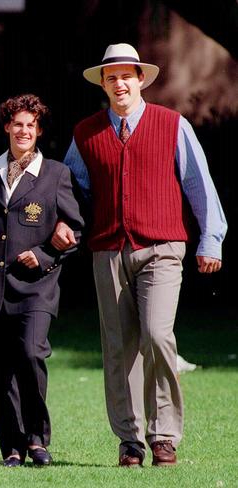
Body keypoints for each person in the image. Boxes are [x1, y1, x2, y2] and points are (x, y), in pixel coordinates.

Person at [55, 43, 227, 467]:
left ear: (141, 79)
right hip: (108, 250)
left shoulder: (172, 125)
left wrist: (211, 239)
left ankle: (164, 435)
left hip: (163, 248)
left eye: (126, 76)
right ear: (104, 85)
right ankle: (130, 440)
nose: (119, 84)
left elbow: (198, 185)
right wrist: (62, 225)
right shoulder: (86, 134)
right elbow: (70, 191)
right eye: (111, 77)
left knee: (156, 335)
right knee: (117, 348)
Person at [0, 94, 83, 467]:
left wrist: (45, 255)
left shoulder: (56, 175)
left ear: (38, 131)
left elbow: (74, 230)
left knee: (31, 354)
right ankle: (11, 447)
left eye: (30, 125)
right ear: (7, 127)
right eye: (17, 123)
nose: (23, 130)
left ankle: (37, 438)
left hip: (37, 287)